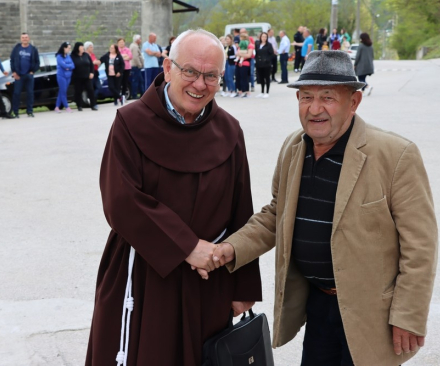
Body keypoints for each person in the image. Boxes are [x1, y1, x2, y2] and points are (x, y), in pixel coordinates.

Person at [211, 50, 438, 366]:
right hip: (319, 304)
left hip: (372, 314)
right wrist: (231, 249)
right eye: (306, 97)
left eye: (328, 98)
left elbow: (421, 245)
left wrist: (408, 315)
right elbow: (277, 213)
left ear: (354, 101)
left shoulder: (395, 155)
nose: (314, 109)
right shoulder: (294, 147)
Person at [85, 28, 261, 366]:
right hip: (145, 277)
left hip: (210, 279)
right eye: (190, 71)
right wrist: (187, 247)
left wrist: (244, 286)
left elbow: (242, 209)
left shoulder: (229, 130)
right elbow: (120, 200)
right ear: (167, 68)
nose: (199, 84)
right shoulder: (130, 122)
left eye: (211, 76)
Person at [10, 32, 40, 118]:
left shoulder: (33, 49)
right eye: (23, 37)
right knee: (16, 94)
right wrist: (14, 72)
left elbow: (37, 62)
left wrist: (33, 71)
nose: (24, 39)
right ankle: (15, 112)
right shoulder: (16, 49)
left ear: (29, 39)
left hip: (29, 75)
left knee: (30, 93)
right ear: (21, 39)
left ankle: (29, 111)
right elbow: (12, 60)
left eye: (26, 37)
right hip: (19, 76)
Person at [70, 42, 97, 111]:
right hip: (77, 77)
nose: (83, 48)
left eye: (83, 46)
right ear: (77, 47)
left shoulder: (86, 55)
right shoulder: (72, 56)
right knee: (78, 91)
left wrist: (92, 72)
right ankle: (79, 105)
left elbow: (91, 65)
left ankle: (93, 105)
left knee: (90, 90)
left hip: (87, 77)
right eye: (81, 46)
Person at [54, 42, 74, 113]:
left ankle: (57, 106)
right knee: (63, 91)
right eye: (68, 48)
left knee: (62, 91)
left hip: (68, 76)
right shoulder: (59, 56)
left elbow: (73, 65)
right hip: (61, 76)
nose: (69, 50)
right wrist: (68, 66)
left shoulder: (68, 56)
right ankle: (66, 106)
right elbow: (63, 65)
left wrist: (68, 66)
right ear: (64, 48)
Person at [254, 32, 274, 98]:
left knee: (267, 78)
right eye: (263, 37)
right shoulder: (257, 44)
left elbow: (271, 54)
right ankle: (262, 92)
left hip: (266, 64)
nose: (264, 38)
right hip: (259, 64)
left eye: (265, 37)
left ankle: (267, 92)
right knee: (261, 78)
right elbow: (256, 53)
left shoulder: (269, 45)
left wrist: (267, 60)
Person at [235, 32, 254, 98]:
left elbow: (249, 55)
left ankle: (246, 91)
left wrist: (240, 55)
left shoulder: (249, 45)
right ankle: (240, 91)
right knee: (238, 77)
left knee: (244, 78)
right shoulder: (241, 45)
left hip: (245, 63)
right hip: (238, 62)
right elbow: (237, 53)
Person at [117, 38, 132, 103]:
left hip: (127, 68)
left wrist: (122, 57)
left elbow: (130, 57)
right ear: (118, 43)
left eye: (123, 42)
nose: (122, 43)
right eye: (120, 42)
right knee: (118, 83)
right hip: (119, 69)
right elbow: (117, 57)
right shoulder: (116, 50)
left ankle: (123, 96)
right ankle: (118, 96)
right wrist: (124, 56)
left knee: (125, 83)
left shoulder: (127, 49)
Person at [129, 34, 144, 99]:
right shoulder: (134, 46)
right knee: (136, 80)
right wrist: (139, 64)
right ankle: (134, 94)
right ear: (137, 40)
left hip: (135, 66)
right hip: (135, 66)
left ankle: (142, 93)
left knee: (140, 80)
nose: (140, 40)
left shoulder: (133, 46)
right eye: (140, 39)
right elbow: (135, 57)